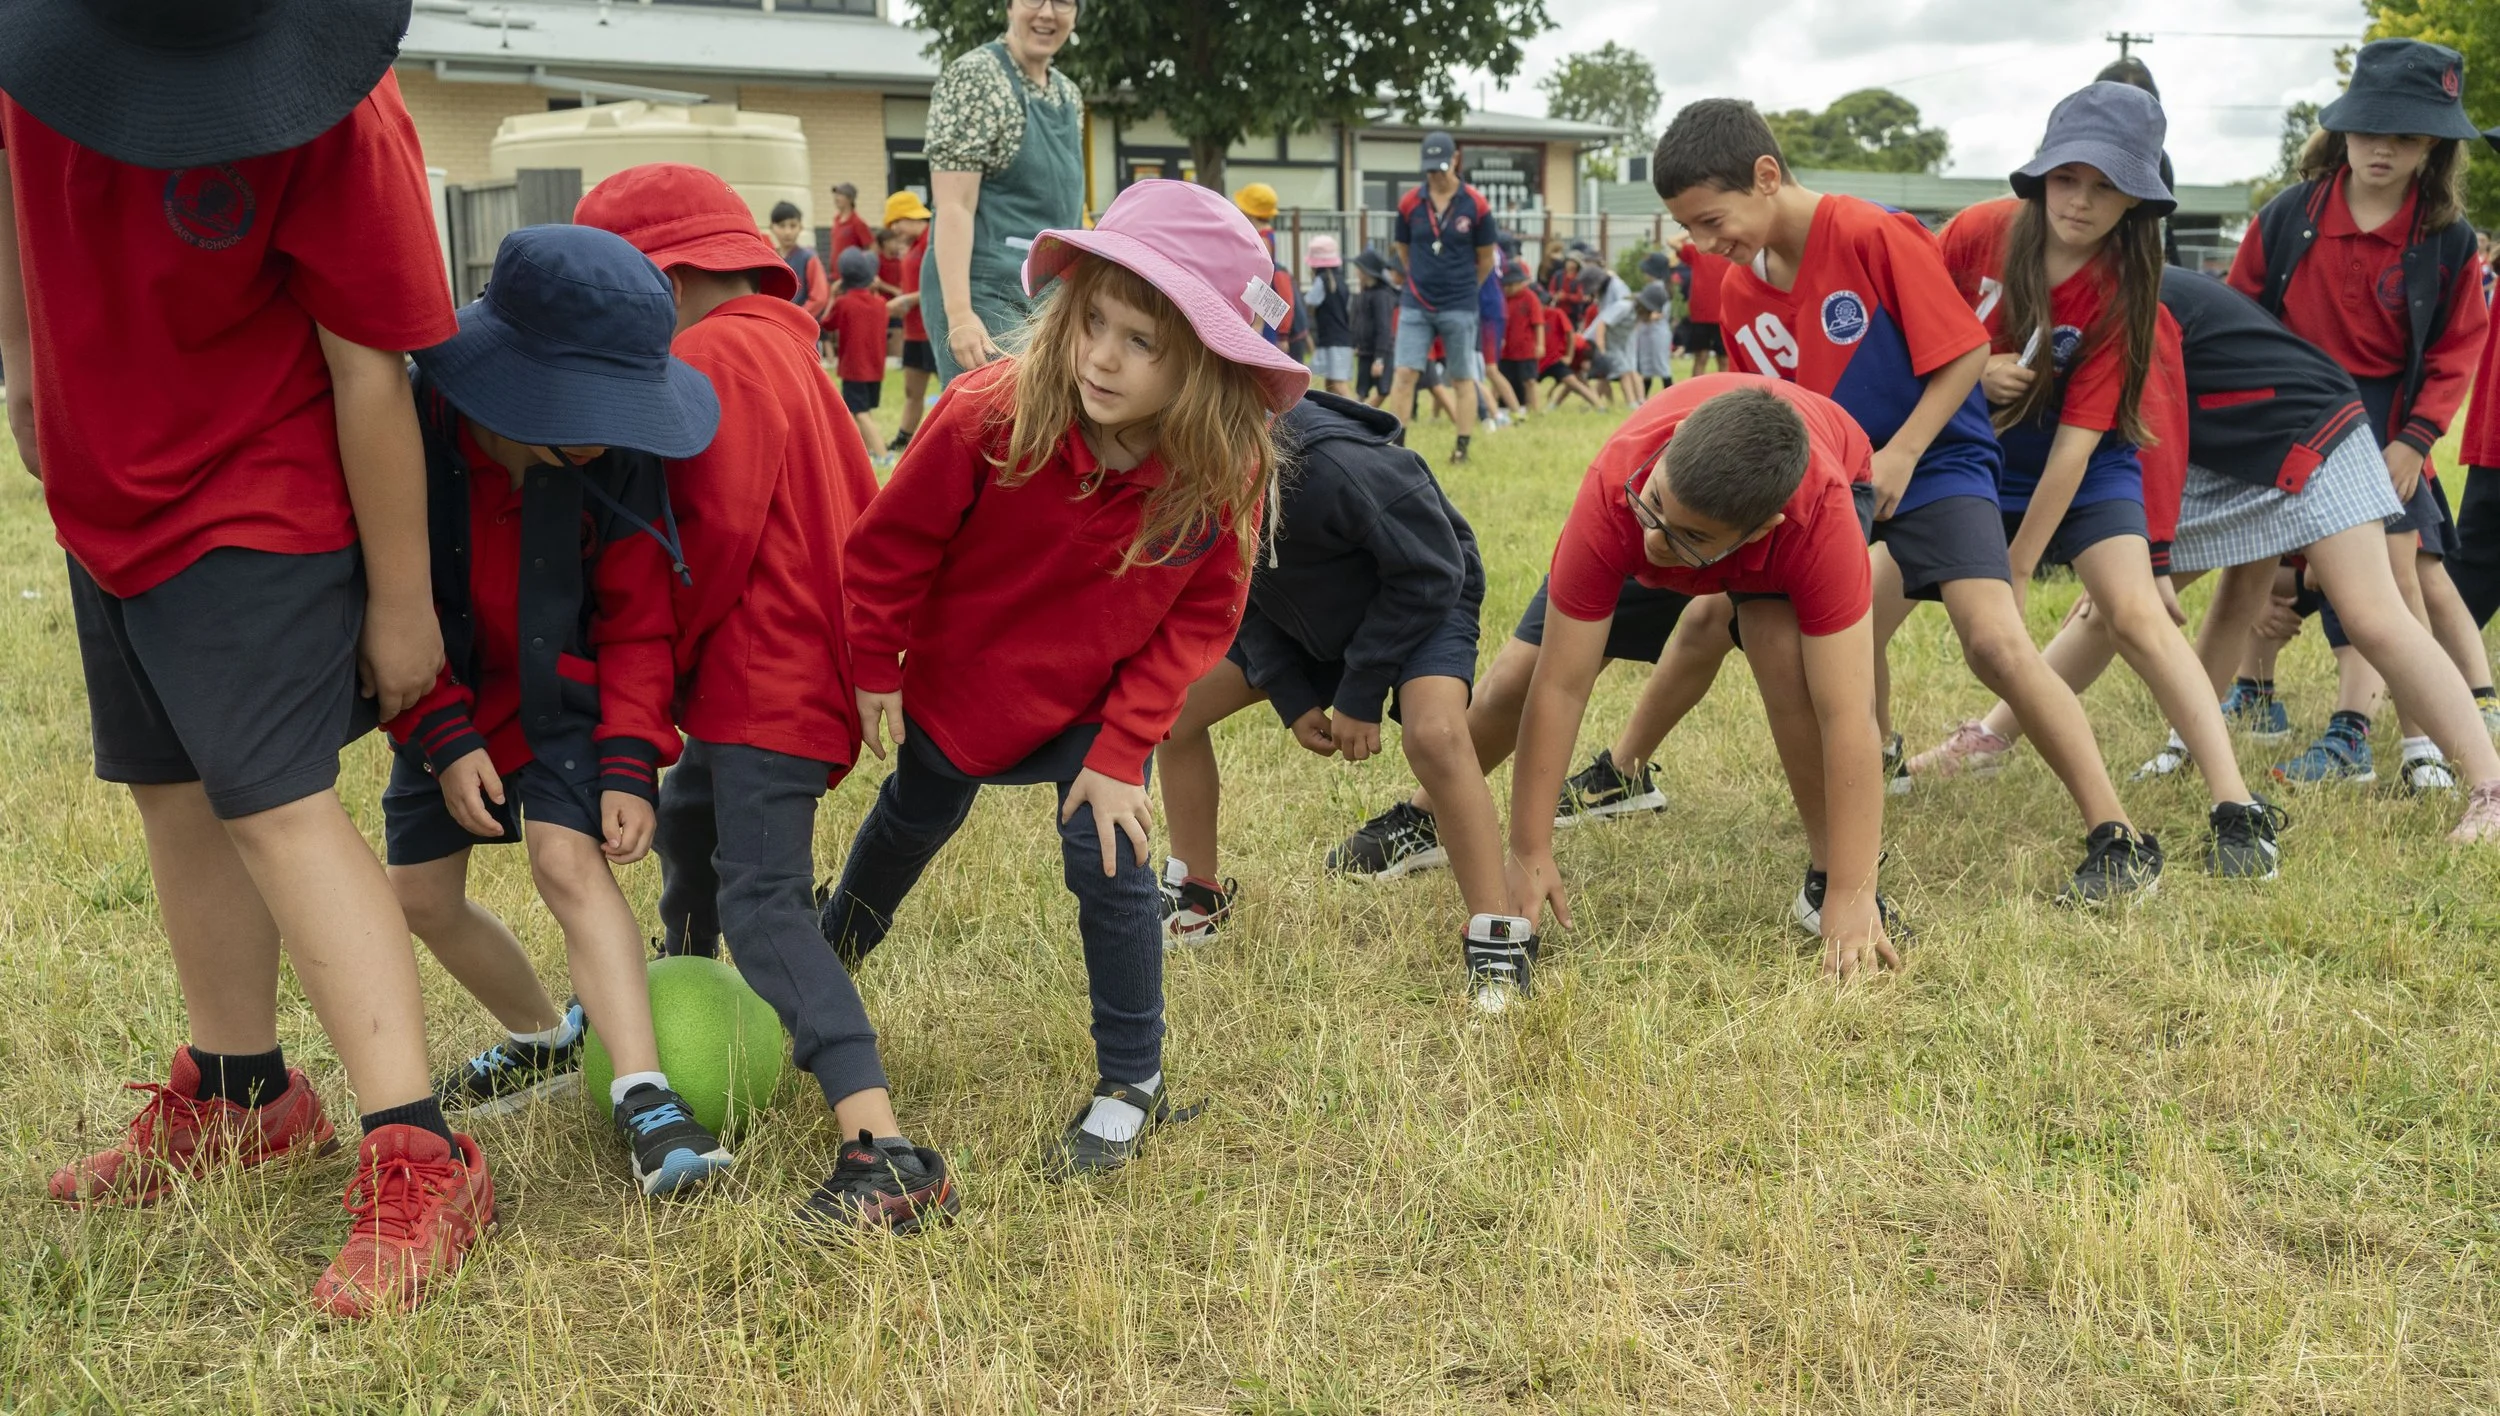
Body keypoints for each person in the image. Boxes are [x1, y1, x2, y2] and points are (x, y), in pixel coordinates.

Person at [0, 2, 487, 1317]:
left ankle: (420, 1149)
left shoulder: (347, 118)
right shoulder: (37, 52)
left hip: (256, 496)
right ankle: (240, 1093)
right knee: (171, 787)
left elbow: (372, 374)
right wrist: (22, 369)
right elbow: (11, 189)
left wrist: (402, 607)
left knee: (276, 806)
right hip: (107, 489)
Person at [818, 180, 1305, 1175]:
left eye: (1142, 342)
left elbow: (1200, 619)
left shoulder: (1222, 471)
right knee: (910, 816)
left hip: (1093, 703)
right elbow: (886, 551)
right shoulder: (986, 413)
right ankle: (825, 968)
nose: (1101, 355)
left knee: (1113, 855)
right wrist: (877, 666)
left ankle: (1132, 1083)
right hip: (961, 685)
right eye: (1094, 323)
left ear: (1208, 366)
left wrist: (1125, 745)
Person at [1657, 97, 2180, 901]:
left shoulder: (1872, 232)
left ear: (1766, 176)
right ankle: (1853, 823)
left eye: (1710, 219)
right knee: (1811, 638)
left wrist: (1901, 453)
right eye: (1690, 229)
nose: (1704, 243)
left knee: (1996, 645)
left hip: (1938, 463)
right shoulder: (1737, 294)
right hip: (1834, 479)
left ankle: (2117, 834)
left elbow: (1967, 350)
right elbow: (1774, 417)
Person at [575, 162, 957, 1234]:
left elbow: (707, 535)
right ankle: (686, 993)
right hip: (800, 666)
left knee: (761, 901)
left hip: (762, 677)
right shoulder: (785, 345)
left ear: (668, 279)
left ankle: (880, 1147)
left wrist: (641, 682)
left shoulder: (711, 355)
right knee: (693, 823)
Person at [378, 226, 733, 1198]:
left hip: (566, 707)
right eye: (584, 409)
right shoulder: (409, 435)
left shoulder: (617, 463)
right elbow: (384, 611)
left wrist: (627, 760)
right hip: (438, 701)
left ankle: (646, 1095)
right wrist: (443, 738)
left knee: (567, 864)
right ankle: (544, 1037)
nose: (605, 430)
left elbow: (637, 623)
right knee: (416, 899)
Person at [1947, 266, 2500, 843]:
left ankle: (2491, 785)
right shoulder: (2048, 294)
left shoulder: (2127, 293)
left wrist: (2149, 553)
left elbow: (2152, 426)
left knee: (2372, 617)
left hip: (2308, 429)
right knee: (2110, 608)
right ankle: (1989, 740)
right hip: (2222, 449)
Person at [1910, 85, 2284, 873]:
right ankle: (1875, 758)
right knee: (1873, 580)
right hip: (1969, 450)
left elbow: (2078, 451)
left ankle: (2237, 805)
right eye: (2066, 178)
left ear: (2139, 200)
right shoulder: (1976, 231)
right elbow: (1912, 335)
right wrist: (1977, 372)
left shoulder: (2124, 292)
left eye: (2106, 185)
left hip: (2084, 464)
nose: (2080, 202)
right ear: (2039, 176)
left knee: (2136, 615)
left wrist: (2014, 566)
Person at [1508, 376, 1900, 978]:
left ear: (1763, 532)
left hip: (1837, 465)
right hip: (1690, 500)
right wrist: (1529, 849)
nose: (1655, 540)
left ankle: (1826, 877)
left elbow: (1849, 716)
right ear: (1672, 444)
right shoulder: (1623, 484)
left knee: (1775, 639)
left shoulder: (1816, 518)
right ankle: (1425, 813)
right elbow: (1560, 683)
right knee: (1517, 676)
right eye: (1657, 507)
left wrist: (1853, 891)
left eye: (1689, 538)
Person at [1159, 391, 1540, 1008]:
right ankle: (1198, 898)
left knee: (1435, 735)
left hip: (1418, 605)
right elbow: (1228, 588)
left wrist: (1359, 693)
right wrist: (1288, 688)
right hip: (1305, 620)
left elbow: (1431, 569)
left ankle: (1498, 935)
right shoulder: (1169, 472)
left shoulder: (1332, 462)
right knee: (1173, 711)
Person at [2221, 39, 2495, 792]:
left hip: (2385, 425)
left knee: (2398, 582)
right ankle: (2223, 711)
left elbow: (2455, 352)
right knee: (2253, 572)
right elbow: (2239, 315)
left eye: (2405, 135)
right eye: (2371, 128)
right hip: (2291, 413)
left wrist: (2415, 441)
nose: (2384, 147)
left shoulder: (2447, 239)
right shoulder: (2286, 217)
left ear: (2432, 144)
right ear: (2342, 128)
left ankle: (2411, 746)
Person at [921, 0, 1085, 382]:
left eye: (1062, 2)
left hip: (1049, 293)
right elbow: (954, 206)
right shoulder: (976, 77)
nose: (1047, 13)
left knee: (1051, 425)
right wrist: (959, 315)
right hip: (983, 290)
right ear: (1009, 7)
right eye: (1033, 0)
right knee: (998, 424)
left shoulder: (1068, 95)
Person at [1387, 130, 1498, 462]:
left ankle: (1461, 448)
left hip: (1460, 304)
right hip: (1416, 301)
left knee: (1463, 376)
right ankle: (1397, 450)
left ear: (1456, 161)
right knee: (1404, 373)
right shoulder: (1410, 203)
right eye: (1429, 169)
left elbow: (1487, 259)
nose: (1435, 175)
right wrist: (1418, 279)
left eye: (1440, 167)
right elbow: (1403, 249)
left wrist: (1466, 288)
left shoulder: (1476, 205)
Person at [883, 189, 937, 452]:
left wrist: (906, 301)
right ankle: (903, 439)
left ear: (906, 217)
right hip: (914, 330)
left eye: (894, 224)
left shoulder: (933, 239)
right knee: (911, 392)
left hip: (934, 330)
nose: (894, 231)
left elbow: (939, 284)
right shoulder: (915, 244)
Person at [825, 248, 892, 457]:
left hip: (854, 369)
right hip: (875, 369)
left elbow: (826, 324)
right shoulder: (881, 303)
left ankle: (882, 455)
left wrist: (831, 297)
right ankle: (868, 451)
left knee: (860, 413)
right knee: (864, 411)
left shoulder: (843, 303)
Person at [1579, 263, 1644, 407]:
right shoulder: (1605, 289)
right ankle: (1597, 401)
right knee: (1609, 370)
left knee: (1627, 369)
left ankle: (1637, 401)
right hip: (1608, 336)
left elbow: (1607, 320)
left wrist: (1601, 347)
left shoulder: (1618, 290)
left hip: (1618, 336)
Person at [1303, 234, 1356, 396]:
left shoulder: (1322, 280)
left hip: (1332, 341)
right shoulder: (1341, 281)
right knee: (1331, 383)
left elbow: (1310, 300)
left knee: (1339, 384)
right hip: (1342, 339)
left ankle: (1359, 416)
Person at [1676, 233, 1735, 374]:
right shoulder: (1698, 251)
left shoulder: (1731, 252)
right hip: (1704, 314)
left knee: (1721, 359)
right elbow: (1672, 241)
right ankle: (1697, 393)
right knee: (1703, 357)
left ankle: (1723, 393)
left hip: (1723, 314)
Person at [769, 200, 832, 324]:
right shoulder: (769, 259)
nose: (787, 232)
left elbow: (819, 298)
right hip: (774, 325)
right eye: (782, 226)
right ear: (772, 227)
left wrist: (795, 319)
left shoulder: (809, 258)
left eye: (793, 226)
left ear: (800, 227)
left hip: (801, 326)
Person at [1351, 247, 1400, 405]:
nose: (1356, 273)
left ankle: (1365, 415)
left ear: (1367, 272)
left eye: (1359, 270)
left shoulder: (1382, 296)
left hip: (1380, 351)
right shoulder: (1365, 293)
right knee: (1361, 391)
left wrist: (1379, 359)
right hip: (1365, 350)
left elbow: (1384, 328)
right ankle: (1358, 417)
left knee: (1384, 389)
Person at [1498, 263, 1547, 415]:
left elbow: (1538, 323)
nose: (1508, 289)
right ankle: (1504, 407)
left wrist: (1540, 344)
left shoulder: (1530, 298)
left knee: (1529, 381)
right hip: (1506, 351)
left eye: (1512, 285)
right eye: (1505, 285)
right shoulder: (1502, 299)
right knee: (1505, 380)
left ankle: (1534, 409)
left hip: (1526, 349)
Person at [1633, 280, 1676, 395]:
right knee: (1646, 367)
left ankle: (1670, 394)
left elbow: (1658, 314)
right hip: (1645, 333)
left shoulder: (1661, 293)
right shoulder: (1650, 288)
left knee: (1661, 364)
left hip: (1659, 333)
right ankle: (1643, 397)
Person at [825, 181, 876, 263]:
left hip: (851, 274)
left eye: (840, 194)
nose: (836, 198)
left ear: (850, 199)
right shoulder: (836, 220)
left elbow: (872, 247)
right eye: (836, 194)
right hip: (835, 274)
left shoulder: (857, 222)